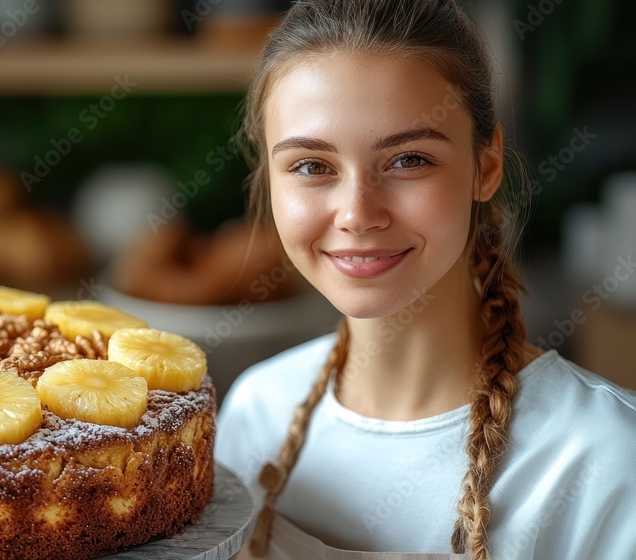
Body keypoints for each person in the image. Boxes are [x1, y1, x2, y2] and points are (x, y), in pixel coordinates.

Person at [214, 1, 636, 559]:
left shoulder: (605, 458)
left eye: (409, 160)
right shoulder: (254, 414)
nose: (357, 213)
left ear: (486, 167)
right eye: (313, 167)